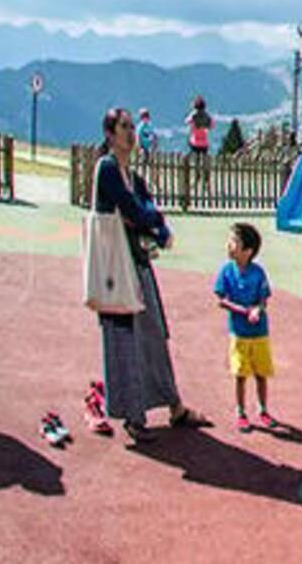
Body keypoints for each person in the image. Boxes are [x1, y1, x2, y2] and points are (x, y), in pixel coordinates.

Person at [93, 108, 202, 441]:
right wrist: (148, 219)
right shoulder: (107, 169)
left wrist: (152, 222)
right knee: (125, 337)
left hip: (138, 264)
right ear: (110, 134)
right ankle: (133, 416)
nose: (131, 133)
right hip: (116, 269)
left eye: (131, 127)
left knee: (154, 332)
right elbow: (137, 212)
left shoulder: (133, 176)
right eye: (124, 127)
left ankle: (174, 405)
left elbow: (148, 212)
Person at [213, 222, 276, 432]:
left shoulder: (258, 273)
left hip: (259, 333)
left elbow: (263, 299)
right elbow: (221, 299)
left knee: (261, 373)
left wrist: (257, 309)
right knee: (240, 374)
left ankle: (263, 409)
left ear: (248, 251)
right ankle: (241, 411)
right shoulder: (226, 271)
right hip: (239, 333)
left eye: (235, 242)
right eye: (230, 240)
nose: (229, 245)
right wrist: (242, 310)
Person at [185, 95, 214, 198]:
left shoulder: (194, 115)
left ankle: (197, 178)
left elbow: (186, 121)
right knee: (205, 162)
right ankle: (206, 181)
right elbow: (212, 125)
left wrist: (193, 115)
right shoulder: (207, 116)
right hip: (204, 142)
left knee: (196, 161)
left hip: (195, 142)